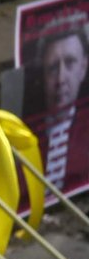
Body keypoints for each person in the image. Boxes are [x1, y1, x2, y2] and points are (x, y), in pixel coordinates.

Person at [36, 22, 89, 192]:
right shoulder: (28, 137)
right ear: (43, 76)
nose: (60, 79)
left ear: (83, 68)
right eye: (52, 68)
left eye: (70, 63)